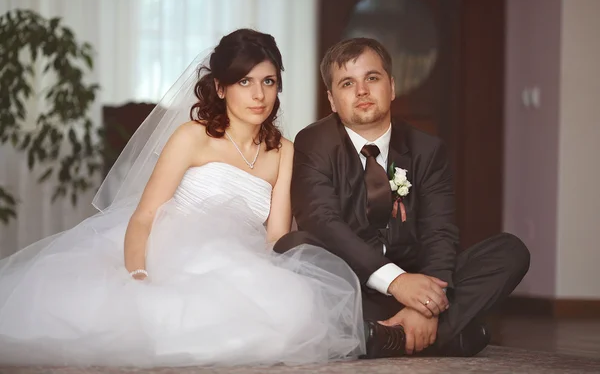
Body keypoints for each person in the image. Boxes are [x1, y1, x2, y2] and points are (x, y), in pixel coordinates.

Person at [0, 29, 365, 367]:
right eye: (245, 81)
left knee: (292, 311)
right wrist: (137, 277)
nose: (259, 95)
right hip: (166, 252)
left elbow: (275, 238)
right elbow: (143, 217)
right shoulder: (193, 137)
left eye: (268, 82)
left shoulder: (284, 151)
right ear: (221, 89)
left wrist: (262, 284)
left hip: (240, 260)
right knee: (155, 319)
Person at [274, 37, 531, 358]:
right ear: (332, 99)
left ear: (391, 87)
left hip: (417, 282)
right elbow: (321, 220)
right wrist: (395, 282)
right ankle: (446, 337)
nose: (362, 91)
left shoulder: (427, 149)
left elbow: (440, 232)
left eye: (372, 78)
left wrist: (425, 305)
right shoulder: (315, 141)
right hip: (352, 286)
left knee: (510, 251)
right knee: (293, 248)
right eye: (347, 83)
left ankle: (386, 336)